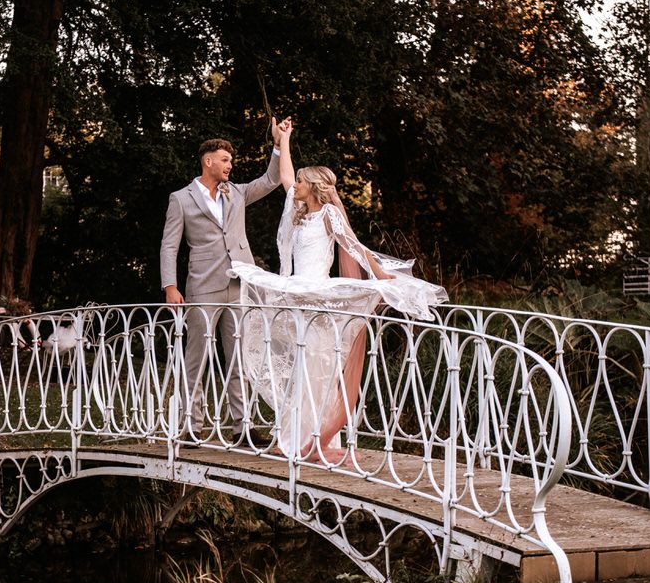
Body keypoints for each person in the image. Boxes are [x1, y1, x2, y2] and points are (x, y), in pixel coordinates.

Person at [229, 120, 448, 463]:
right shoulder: (300, 214)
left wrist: (382, 277)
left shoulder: (329, 214)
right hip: (298, 293)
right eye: (298, 180)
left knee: (317, 365)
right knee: (301, 363)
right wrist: (284, 140)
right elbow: (286, 176)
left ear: (313, 186)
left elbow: (355, 247)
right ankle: (292, 437)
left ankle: (312, 437)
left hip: (319, 296)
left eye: (302, 181)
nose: (295, 185)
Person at [160, 119, 288, 445]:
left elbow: (272, 179)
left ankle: (242, 426)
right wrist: (170, 287)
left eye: (231, 160)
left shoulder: (237, 193)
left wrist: (278, 144)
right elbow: (169, 246)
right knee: (196, 358)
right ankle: (191, 427)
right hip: (202, 286)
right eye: (226, 160)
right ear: (208, 161)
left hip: (239, 286)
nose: (231, 165)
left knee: (239, 358)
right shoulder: (181, 199)